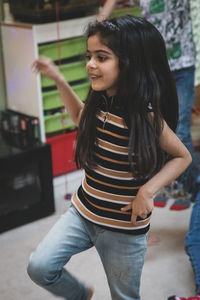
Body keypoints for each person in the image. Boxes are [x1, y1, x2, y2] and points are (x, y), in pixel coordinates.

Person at [27, 16, 192, 300]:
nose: (91, 64)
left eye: (101, 57)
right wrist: (58, 79)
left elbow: (182, 156)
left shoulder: (145, 113)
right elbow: (80, 117)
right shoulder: (99, 99)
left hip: (124, 229)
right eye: (89, 56)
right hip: (83, 212)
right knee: (39, 267)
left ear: (130, 63)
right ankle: (81, 294)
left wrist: (147, 191)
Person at [98, 0, 196, 210]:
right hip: (152, 68)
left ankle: (190, 187)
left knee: (181, 131)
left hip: (183, 63)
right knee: (153, 129)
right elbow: (104, 17)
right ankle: (167, 183)